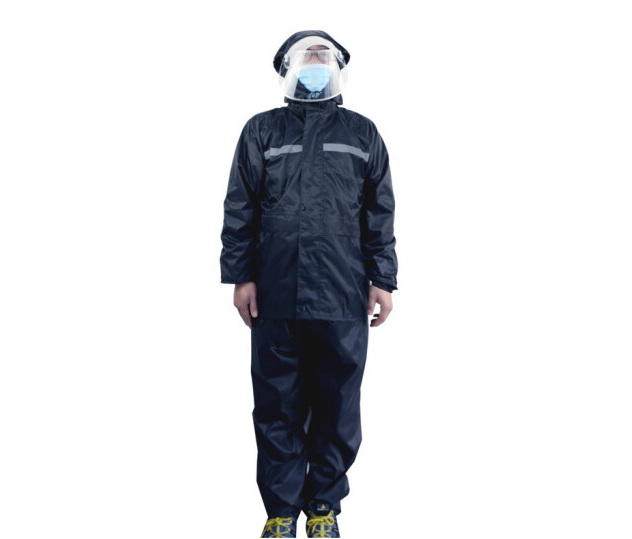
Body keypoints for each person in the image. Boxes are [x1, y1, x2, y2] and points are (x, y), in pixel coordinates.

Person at [219, 30, 398, 538]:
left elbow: (379, 212)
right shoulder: (262, 131)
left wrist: (383, 279)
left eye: (323, 57)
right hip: (276, 292)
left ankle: (323, 508)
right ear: (287, 68)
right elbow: (240, 207)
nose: (315, 65)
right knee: (277, 403)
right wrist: (241, 276)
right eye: (306, 57)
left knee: (337, 406)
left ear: (338, 67)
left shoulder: (362, 134)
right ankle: (280, 512)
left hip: (343, 292)